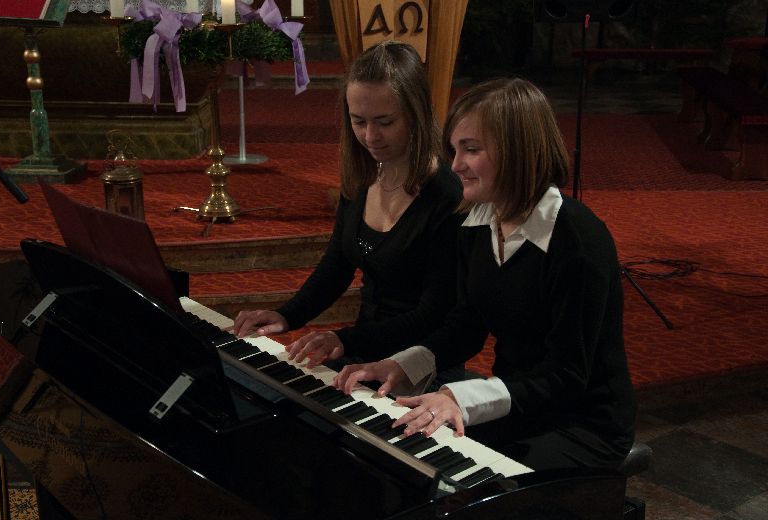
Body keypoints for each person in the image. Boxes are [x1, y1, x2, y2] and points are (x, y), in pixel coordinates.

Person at [333, 77, 637, 471]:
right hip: (517, 403)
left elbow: (567, 375)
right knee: (402, 457)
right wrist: (402, 364)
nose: (455, 165)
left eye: (471, 149)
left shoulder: (577, 240)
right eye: (454, 149)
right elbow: (466, 325)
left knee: (468, 487)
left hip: (583, 422)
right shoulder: (476, 223)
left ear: (518, 151)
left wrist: (457, 398)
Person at [232, 41, 465, 384]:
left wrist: (344, 340)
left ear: (416, 113)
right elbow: (337, 263)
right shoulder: (363, 176)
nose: (370, 136)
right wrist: (287, 315)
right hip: (367, 348)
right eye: (359, 121)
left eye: (385, 122)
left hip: (421, 363)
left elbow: (432, 314)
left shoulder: (448, 196)